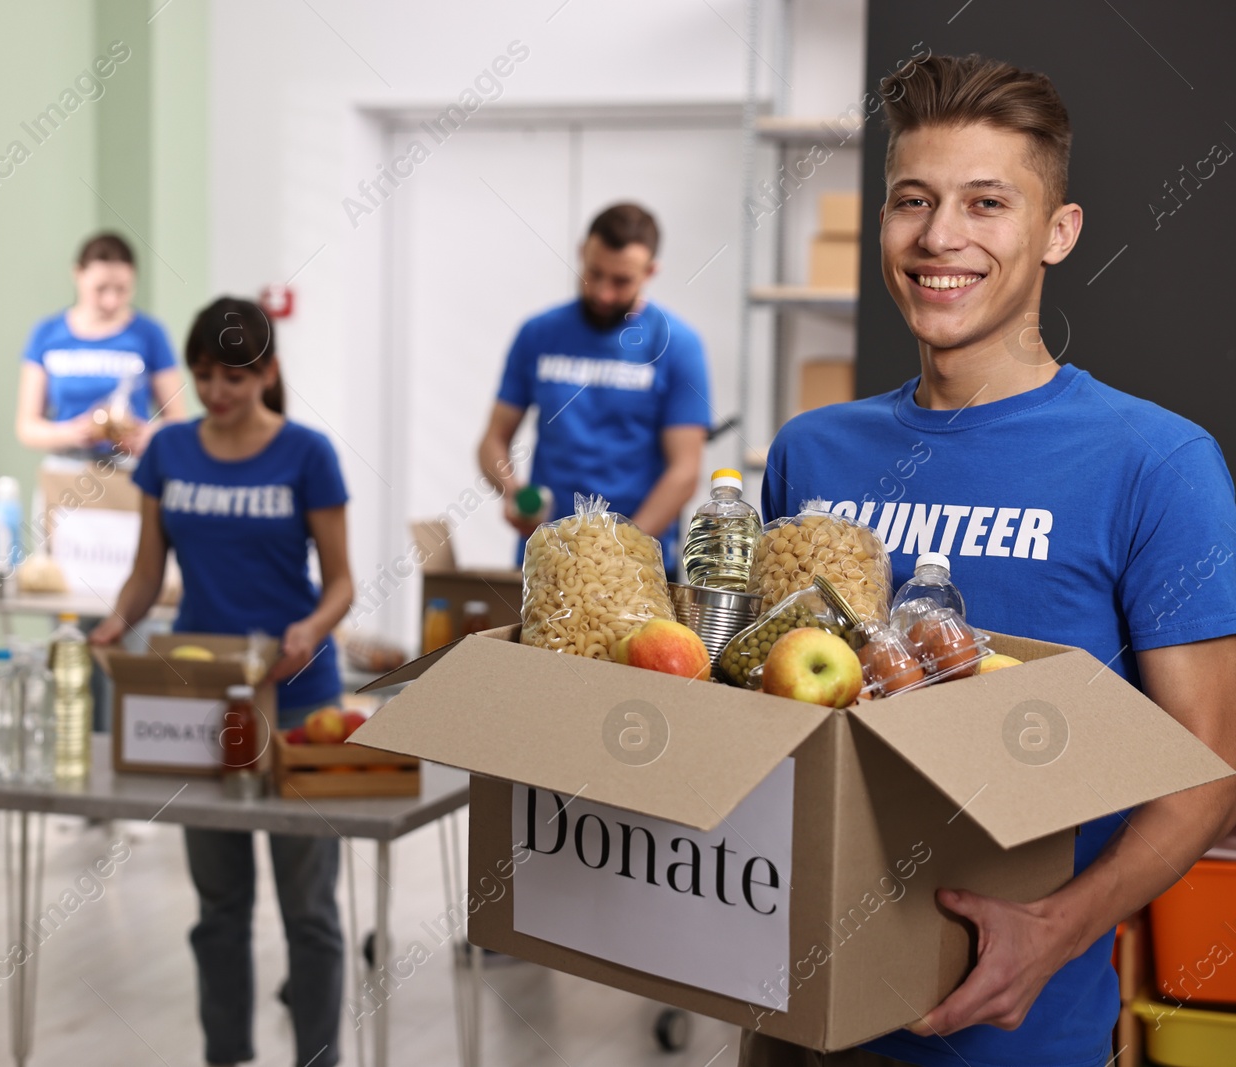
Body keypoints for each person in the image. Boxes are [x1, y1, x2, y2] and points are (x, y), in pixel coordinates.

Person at [745, 54, 1236, 1067]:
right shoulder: (810, 450)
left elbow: (1206, 768)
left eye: (985, 202)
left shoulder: (1156, 464)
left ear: (1057, 231)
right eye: (910, 201)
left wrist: (1054, 931)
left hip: (1017, 1038)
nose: (938, 237)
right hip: (794, 1017)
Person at [91, 296, 353, 1067]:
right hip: (205, 703)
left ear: (267, 371)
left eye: (232, 377)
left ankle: (318, 1058)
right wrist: (115, 621)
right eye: (203, 376)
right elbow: (147, 575)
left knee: (309, 908)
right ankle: (226, 1055)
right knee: (218, 906)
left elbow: (340, 583)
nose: (215, 391)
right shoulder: (168, 453)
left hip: (301, 699)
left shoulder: (308, 453)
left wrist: (310, 630)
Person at [477, 202, 711, 573]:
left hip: (636, 564)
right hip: (547, 557)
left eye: (621, 281)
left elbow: (684, 470)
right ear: (582, 253)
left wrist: (621, 551)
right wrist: (511, 491)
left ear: (650, 272)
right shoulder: (538, 334)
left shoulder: (677, 345)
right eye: (594, 273)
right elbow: (493, 439)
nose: (603, 293)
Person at [16, 231, 186, 458]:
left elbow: (176, 418)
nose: (111, 301)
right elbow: (27, 426)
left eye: (122, 289)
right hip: (65, 467)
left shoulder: (149, 334)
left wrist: (147, 435)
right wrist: (71, 433)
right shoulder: (47, 334)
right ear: (78, 274)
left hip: (130, 467)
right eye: (101, 289)